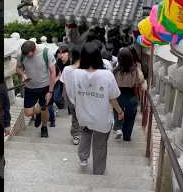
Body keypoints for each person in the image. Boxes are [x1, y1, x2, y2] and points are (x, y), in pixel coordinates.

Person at [68, 42, 124, 175]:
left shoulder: (75, 74)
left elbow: (72, 96)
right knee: (100, 146)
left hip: (84, 117)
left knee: (85, 136)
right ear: (99, 57)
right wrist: (120, 112)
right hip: (102, 119)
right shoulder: (107, 75)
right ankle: (98, 172)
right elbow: (112, 97)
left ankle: (83, 158)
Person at [16, 40, 57, 138]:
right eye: (26, 56)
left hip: (45, 86)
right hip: (30, 87)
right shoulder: (21, 55)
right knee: (27, 113)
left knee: (45, 108)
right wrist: (23, 74)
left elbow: (53, 72)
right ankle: (38, 112)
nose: (28, 58)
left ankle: (44, 127)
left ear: (34, 51)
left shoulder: (46, 53)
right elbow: (18, 67)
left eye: (29, 56)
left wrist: (50, 91)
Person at [112, 48, 147, 141]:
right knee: (130, 117)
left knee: (117, 112)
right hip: (131, 95)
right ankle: (127, 136)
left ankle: (118, 128)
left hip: (118, 95)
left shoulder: (115, 71)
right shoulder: (135, 70)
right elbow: (142, 81)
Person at [60, 44, 82, 145]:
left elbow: (64, 84)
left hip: (70, 98)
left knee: (75, 117)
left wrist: (66, 98)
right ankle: (84, 134)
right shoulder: (85, 70)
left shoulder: (66, 69)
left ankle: (76, 135)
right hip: (83, 98)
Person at [49, 45, 70, 127]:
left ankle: (70, 109)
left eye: (63, 53)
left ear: (68, 53)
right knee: (56, 98)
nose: (61, 55)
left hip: (69, 81)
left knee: (69, 95)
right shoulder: (58, 62)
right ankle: (62, 105)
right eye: (60, 53)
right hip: (59, 81)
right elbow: (58, 73)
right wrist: (55, 80)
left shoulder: (71, 62)